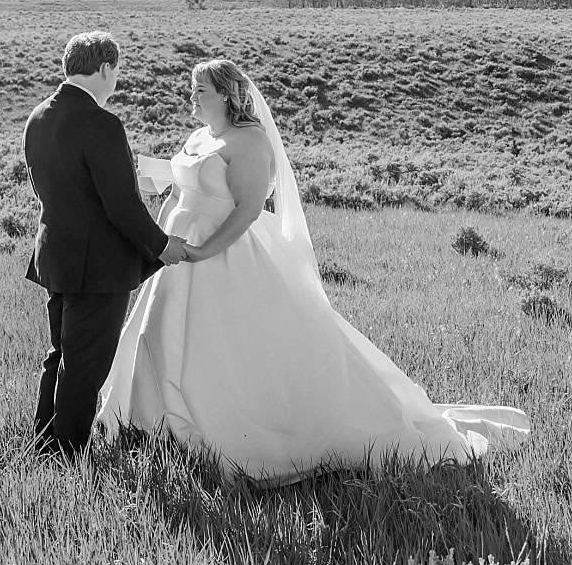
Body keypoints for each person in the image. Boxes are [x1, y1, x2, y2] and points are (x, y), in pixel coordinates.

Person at [98, 58, 528, 485]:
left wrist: (202, 251)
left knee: (232, 342)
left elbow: (248, 209)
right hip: (177, 254)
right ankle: (154, 423)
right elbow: (182, 188)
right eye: (192, 89)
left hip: (222, 254)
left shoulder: (250, 142)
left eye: (200, 91)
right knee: (161, 331)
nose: (192, 97)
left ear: (226, 95)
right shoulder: (199, 136)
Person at [23, 31, 189, 459]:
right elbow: (120, 206)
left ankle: (44, 444)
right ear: (104, 69)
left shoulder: (39, 116)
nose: (115, 81)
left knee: (60, 355)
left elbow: (60, 189)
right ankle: (69, 455)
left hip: (56, 255)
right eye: (115, 72)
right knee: (85, 367)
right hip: (95, 266)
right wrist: (160, 244)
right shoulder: (102, 123)